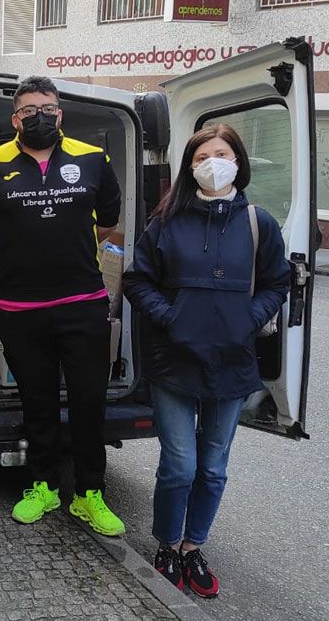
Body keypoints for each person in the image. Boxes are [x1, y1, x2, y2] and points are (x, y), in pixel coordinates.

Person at [123, 124, 290, 598]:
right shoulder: (168, 222)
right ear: (189, 167)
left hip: (233, 364)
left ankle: (194, 546)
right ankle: (168, 544)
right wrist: (171, 316)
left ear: (238, 159)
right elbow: (138, 281)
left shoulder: (260, 223)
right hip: (175, 362)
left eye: (221, 153)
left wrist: (248, 317)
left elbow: (278, 283)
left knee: (213, 467)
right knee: (180, 465)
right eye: (201, 157)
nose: (211, 163)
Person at [0, 76, 125, 537]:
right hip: (20, 308)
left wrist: (65, 249)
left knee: (90, 402)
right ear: (16, 118)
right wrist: (10, 253)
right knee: (37, 403)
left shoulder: (93, 159)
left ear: (61, 113)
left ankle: (90, 494)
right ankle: (44, 485)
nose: (40, 116)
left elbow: (107, 224)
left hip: (83, 304)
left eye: (48, 108)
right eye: (30, 109)